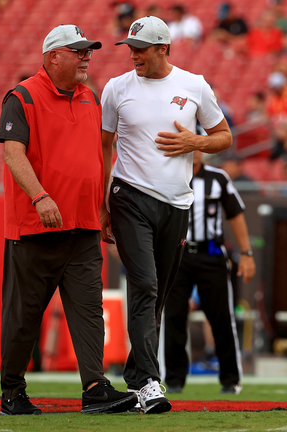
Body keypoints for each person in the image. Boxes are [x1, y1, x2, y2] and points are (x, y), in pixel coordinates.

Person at [0, 24, 136, 416]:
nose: (87, 56)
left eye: (88, 50)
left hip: (84, 228)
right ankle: (12, 393)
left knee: (90, 310)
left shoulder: (90, 97)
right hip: (36, 229)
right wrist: (39, 196)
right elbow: (12, 154)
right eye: (78, 51)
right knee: (24, 316)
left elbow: (97, 160)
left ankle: (95, 387)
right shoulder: (22, 96)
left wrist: (103, 208)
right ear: (52, 56)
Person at [101, 15, 232, 414]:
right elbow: (103, 148)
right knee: (144, 286)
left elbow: (225, 136)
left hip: (177, 203)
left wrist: (196, 141)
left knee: (155, 295)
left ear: (163, 48)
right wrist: (102, 200)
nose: (134, 55)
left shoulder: (194, 84)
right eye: (130, 48)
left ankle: (135, 374)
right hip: (129, 197)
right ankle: (147, 383)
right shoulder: (115, 88)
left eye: (141, 48)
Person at [162, 150, 255, 395]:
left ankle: (230, 379)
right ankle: (172, 379)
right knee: (173, 317)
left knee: (221, 317)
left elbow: (235, 214)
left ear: (203, 149)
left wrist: (247, 253)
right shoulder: (166, 174)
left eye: (197, 146)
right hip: (177, 255)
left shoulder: (218, 178)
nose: (193, 153)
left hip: (211, 254)